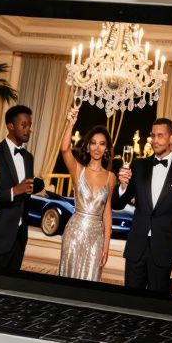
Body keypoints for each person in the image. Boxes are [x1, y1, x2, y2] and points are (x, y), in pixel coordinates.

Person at [112, 118, 172, 294]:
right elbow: (118, 203)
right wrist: (122, 186)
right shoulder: (138, 165)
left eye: (160, 136)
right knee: (130, 304)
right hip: (136, 249)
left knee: (158, 307)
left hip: (165, 252)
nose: (154, 140)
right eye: (152, 135)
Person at [0, 104, 39, 271]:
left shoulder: (29, 158)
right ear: (10, 126)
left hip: (19, 237)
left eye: (30, 125)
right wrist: (14, 191)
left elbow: (25, 194)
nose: (28, 130)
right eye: (23, 125)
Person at [56, 109, 115, 281]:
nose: (97, 147)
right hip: (74, 232)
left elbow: (107, 213)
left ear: (106, 148)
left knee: (90, 280)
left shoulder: (111, 178)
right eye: (93, 143)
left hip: (96, 237)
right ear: (88, 146)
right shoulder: (78, 170)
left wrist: (106, 245)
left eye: (102, 144)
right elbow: (65, 149)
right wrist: (70, 124)